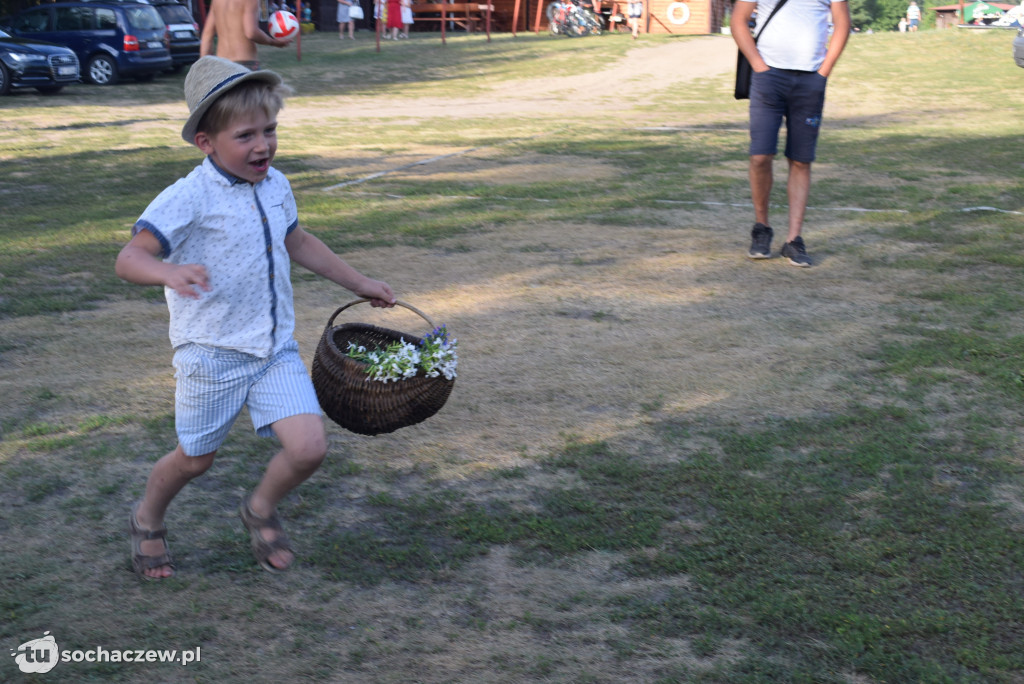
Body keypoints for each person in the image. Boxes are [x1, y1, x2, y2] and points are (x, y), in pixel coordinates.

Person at [115, 56, 397, 579]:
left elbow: (298, 241)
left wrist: (360, 283)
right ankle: (147, 518)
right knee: (196, 460)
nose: (263, 146)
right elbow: (129, 259)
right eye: (245, 136)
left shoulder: (276, 185)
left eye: (270, 130)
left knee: (309, 448)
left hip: (273, 350)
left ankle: (260, 508)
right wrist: (169, 272)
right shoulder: (188, 197)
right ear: (206, 142)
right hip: (211, 354)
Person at [730, 0, 850, 267]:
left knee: (800, 159)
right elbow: (739, 21)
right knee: (760, 156)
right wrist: (759, 65)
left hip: (810, 80)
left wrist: (823, 71)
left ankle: (794, 240)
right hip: (768, 78)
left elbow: (843, 24)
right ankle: (762, 228)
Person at [200, 0, 293, 71]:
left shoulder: (217, 1)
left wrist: (204, 68)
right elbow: (251, 32)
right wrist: (273, 42)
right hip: (245, 65)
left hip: (222, 66)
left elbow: (207, 35)